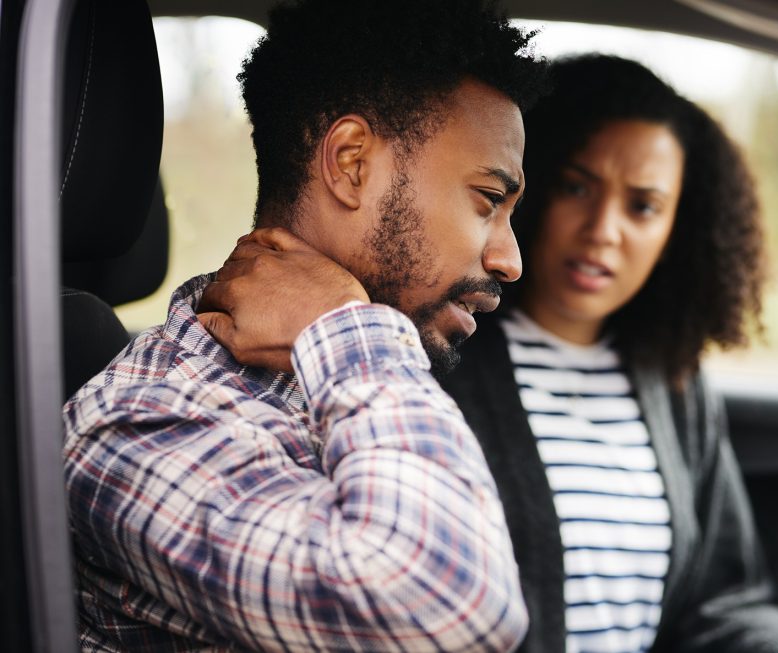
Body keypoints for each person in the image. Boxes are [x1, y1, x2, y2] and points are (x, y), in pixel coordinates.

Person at [62, 1, 547, 650]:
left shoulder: (354, 379)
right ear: (349, 163)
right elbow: (446, 610)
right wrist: (342, 325)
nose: (510, 260)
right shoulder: (140, 424)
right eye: (488, 200)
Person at [441, 55, 778, 653]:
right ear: (529, 186)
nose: (604, 228)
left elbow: (720, 602)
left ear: (681, 227)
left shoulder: (674, 381)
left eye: (642, 206)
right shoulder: (444, 350)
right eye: (577, 187)